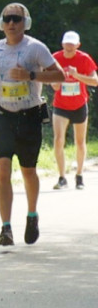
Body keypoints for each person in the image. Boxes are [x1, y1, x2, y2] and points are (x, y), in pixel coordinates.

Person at [0, 2, 64, 246]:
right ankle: (6, 227)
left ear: (25, 22)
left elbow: (59, 75)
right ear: (1, 23)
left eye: (16, 19)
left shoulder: (35, 48)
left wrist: (31, 76)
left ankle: (32, 215)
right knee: (2, 168)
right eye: (7, 19)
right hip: (2, 114)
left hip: (29, 115)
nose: (12, 24)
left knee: (28, 170)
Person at [49, 30, 97, 190]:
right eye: (66, 45)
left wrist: (76, 76)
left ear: (78, 45)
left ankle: (79, 175)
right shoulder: (55, 58)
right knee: (58, 139)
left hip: (79, 104)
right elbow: (50, 79)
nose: (69, 48)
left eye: (72, 45)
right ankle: (62, 177)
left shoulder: (84, 59)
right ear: (62, 44)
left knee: (80, 142)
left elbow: (95, 81)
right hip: (61, 104)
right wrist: (54, 84)